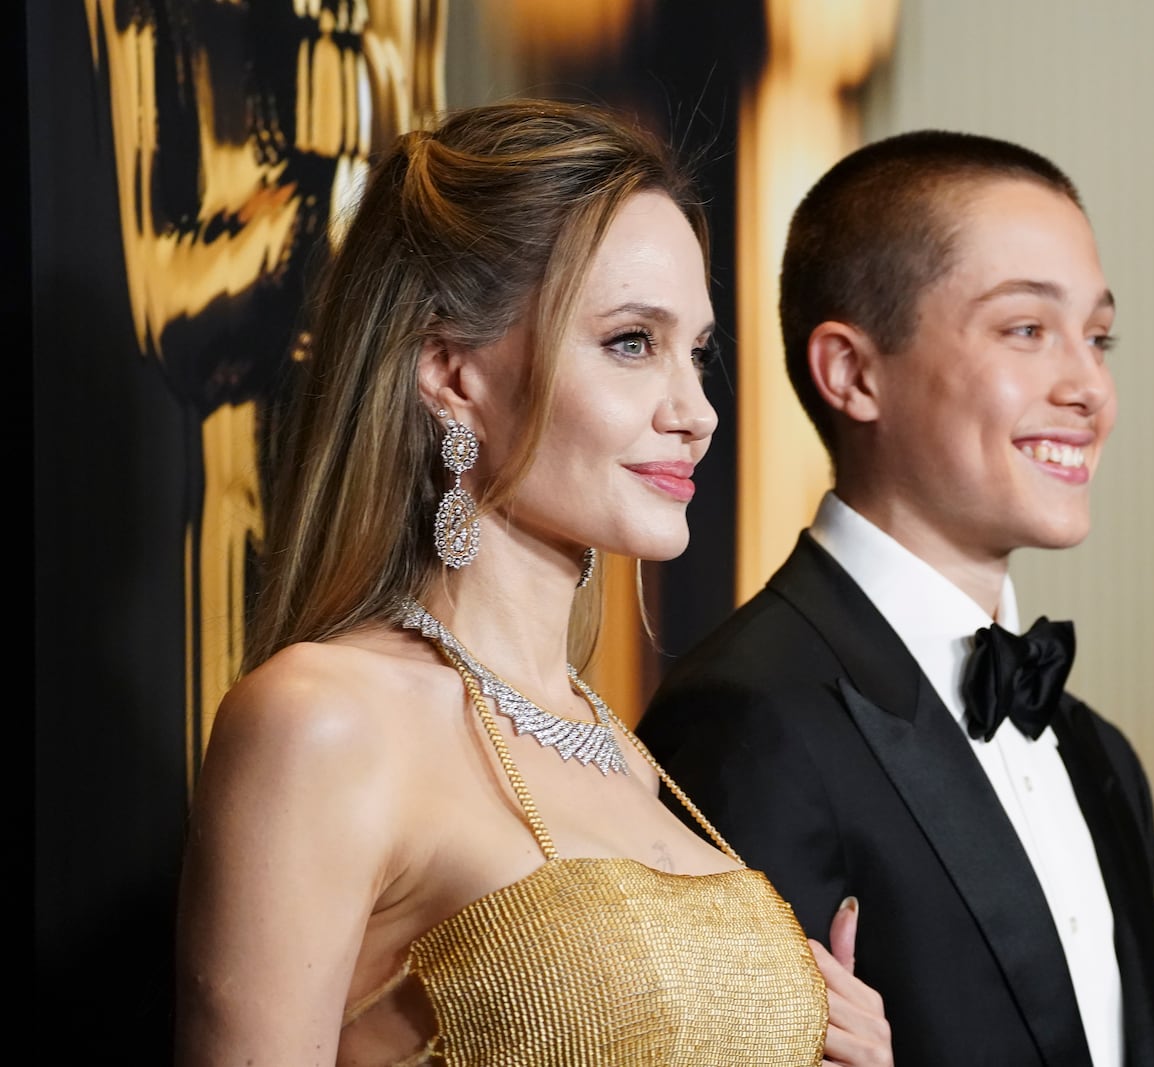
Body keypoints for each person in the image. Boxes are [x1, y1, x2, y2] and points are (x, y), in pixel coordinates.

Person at [173, 98, 893, 1067]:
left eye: (698, 351)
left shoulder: (623, 753)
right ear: (449, 370)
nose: (696, 411)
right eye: (632, 342)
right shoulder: (323, 717)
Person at [637, 130, 1154, 1067]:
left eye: (1099, 337)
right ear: (852, 371)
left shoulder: (1101, 758)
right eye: (1026, 329)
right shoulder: (747, 719)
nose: (1090, 387)